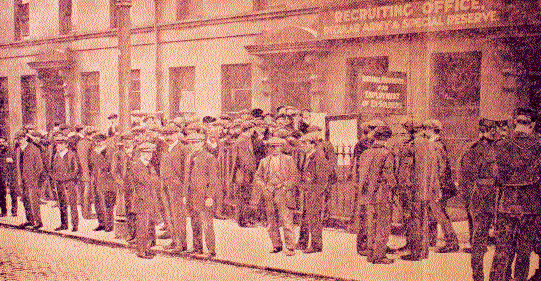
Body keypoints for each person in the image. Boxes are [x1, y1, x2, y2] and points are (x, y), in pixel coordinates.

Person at [489, 108, 541, 281]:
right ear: (532, 124)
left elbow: (496, 177)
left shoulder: (502, 144)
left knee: (503, 249)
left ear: (516, 123)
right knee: (524, 251)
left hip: (507, 203)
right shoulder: (539, 146)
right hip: (530, 205)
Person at [460, 118, 499, 281]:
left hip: (497, 197)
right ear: (483, 130)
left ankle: (497, 275)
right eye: (491, 129)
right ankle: (478, 275)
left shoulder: (500, 148)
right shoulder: (474, 150)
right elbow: (467, 178)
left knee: (500, 240)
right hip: (482, 198)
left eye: (494, 129)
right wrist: (471, 200)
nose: (494, 132)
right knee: (480, 239)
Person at [254, 136, 299, 256]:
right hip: (269, 193)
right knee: (271, 221)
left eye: (277, 146)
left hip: (283, 193)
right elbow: (258, 177)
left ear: (281, 147)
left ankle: (289, 247)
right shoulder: (264, 161)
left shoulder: (288, 160)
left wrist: (285, 187)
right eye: (272, 146)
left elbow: (294, 177)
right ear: (268, 148)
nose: (274, 149)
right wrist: (264, 187)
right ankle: (276, 245)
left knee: (286, 220)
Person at [183, 132, 219, 257]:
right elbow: (186, 177)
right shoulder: (189, 157)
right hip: (191, 195)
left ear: (202, 143)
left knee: (207, 223)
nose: (193, 145)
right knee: (194, 222)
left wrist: (210, 196)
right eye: (191, 143)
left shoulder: (209, 157)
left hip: (203, 196)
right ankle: (197, 247)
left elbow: (213, 179)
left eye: (196, 142)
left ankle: (211, 249)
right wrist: (184, 194)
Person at [297, 132, 332, 253]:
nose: (302, 146)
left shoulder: (318, 157)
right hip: (308, 192)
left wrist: (316, 193)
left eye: (305, 143)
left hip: (314, 193)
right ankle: (303, 243)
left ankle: (316, 245)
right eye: (301, 143)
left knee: (315, 219)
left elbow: (323, 179)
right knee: (306, 217)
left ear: (313, 144)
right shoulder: (307, 156)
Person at [160, 124, 189, 253]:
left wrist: (183, 189)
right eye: (166, 135)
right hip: (165, 185)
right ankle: (174, 239)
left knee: (178, 216)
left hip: (177, 187)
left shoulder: (183, 149)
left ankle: (181, 243)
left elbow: (186, 171)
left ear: (177, 133)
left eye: (170, 134)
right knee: (170, 214)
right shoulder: (165, 148)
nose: (168, 137)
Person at [129, 141, 160, 259]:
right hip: (141, 200)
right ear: (142, 153)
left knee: (147, 226)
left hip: (149, 199)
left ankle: (146, 249)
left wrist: (153, 180)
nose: (150, 155)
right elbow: (145, 181)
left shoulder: (149, 166)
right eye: (147, 153)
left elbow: (156, 182)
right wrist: (152, 180)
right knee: (142, 226)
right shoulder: (137, 165)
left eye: (151, 153)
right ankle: (141, 251)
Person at [50, 135, 80, 232]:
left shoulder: (72, 154)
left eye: (61, 144)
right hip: (59, 183)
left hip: (69, 183)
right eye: (57, 144)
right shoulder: (56, 155)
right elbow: (53, 169)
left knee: (72, 204)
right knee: (62, 204)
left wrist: (65, 178)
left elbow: (76, 170)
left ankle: (75, 225)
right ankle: (64, 224)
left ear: (66, 145)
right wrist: (55, 177)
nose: (58, 146)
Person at [15, 130, 44, 229]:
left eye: (21, 139)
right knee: (25, 200)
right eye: (18, 139)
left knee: (34, 200)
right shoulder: (18, 150)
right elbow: (17, 165)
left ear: (25, 138)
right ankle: (29, 220)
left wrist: (34, 177)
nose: (20, 141)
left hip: (32, 179)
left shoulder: (34, 149)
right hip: (22, 179)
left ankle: (38, 221)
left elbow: (39, 166)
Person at [90, 133, 116, 232]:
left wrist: (98, 155)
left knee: (107, 204)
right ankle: (101, 223)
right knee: (97, 203)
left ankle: (109, 225)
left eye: (99, 141)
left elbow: (107, 166)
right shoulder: (95, 151)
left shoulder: (110, 151)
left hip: (107, 181)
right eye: (96, 141)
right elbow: (92, 164)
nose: (97, 143)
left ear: (104, 141)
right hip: (96, 180)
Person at [0, 138, 15, 217]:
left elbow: (14, 161)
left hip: (10, 174)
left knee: (13, 193)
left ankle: (14, 211)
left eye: (3, 142)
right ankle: (4, 211)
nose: (1, 144)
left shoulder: (10, 151)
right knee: (2, 194)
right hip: (1, 175)